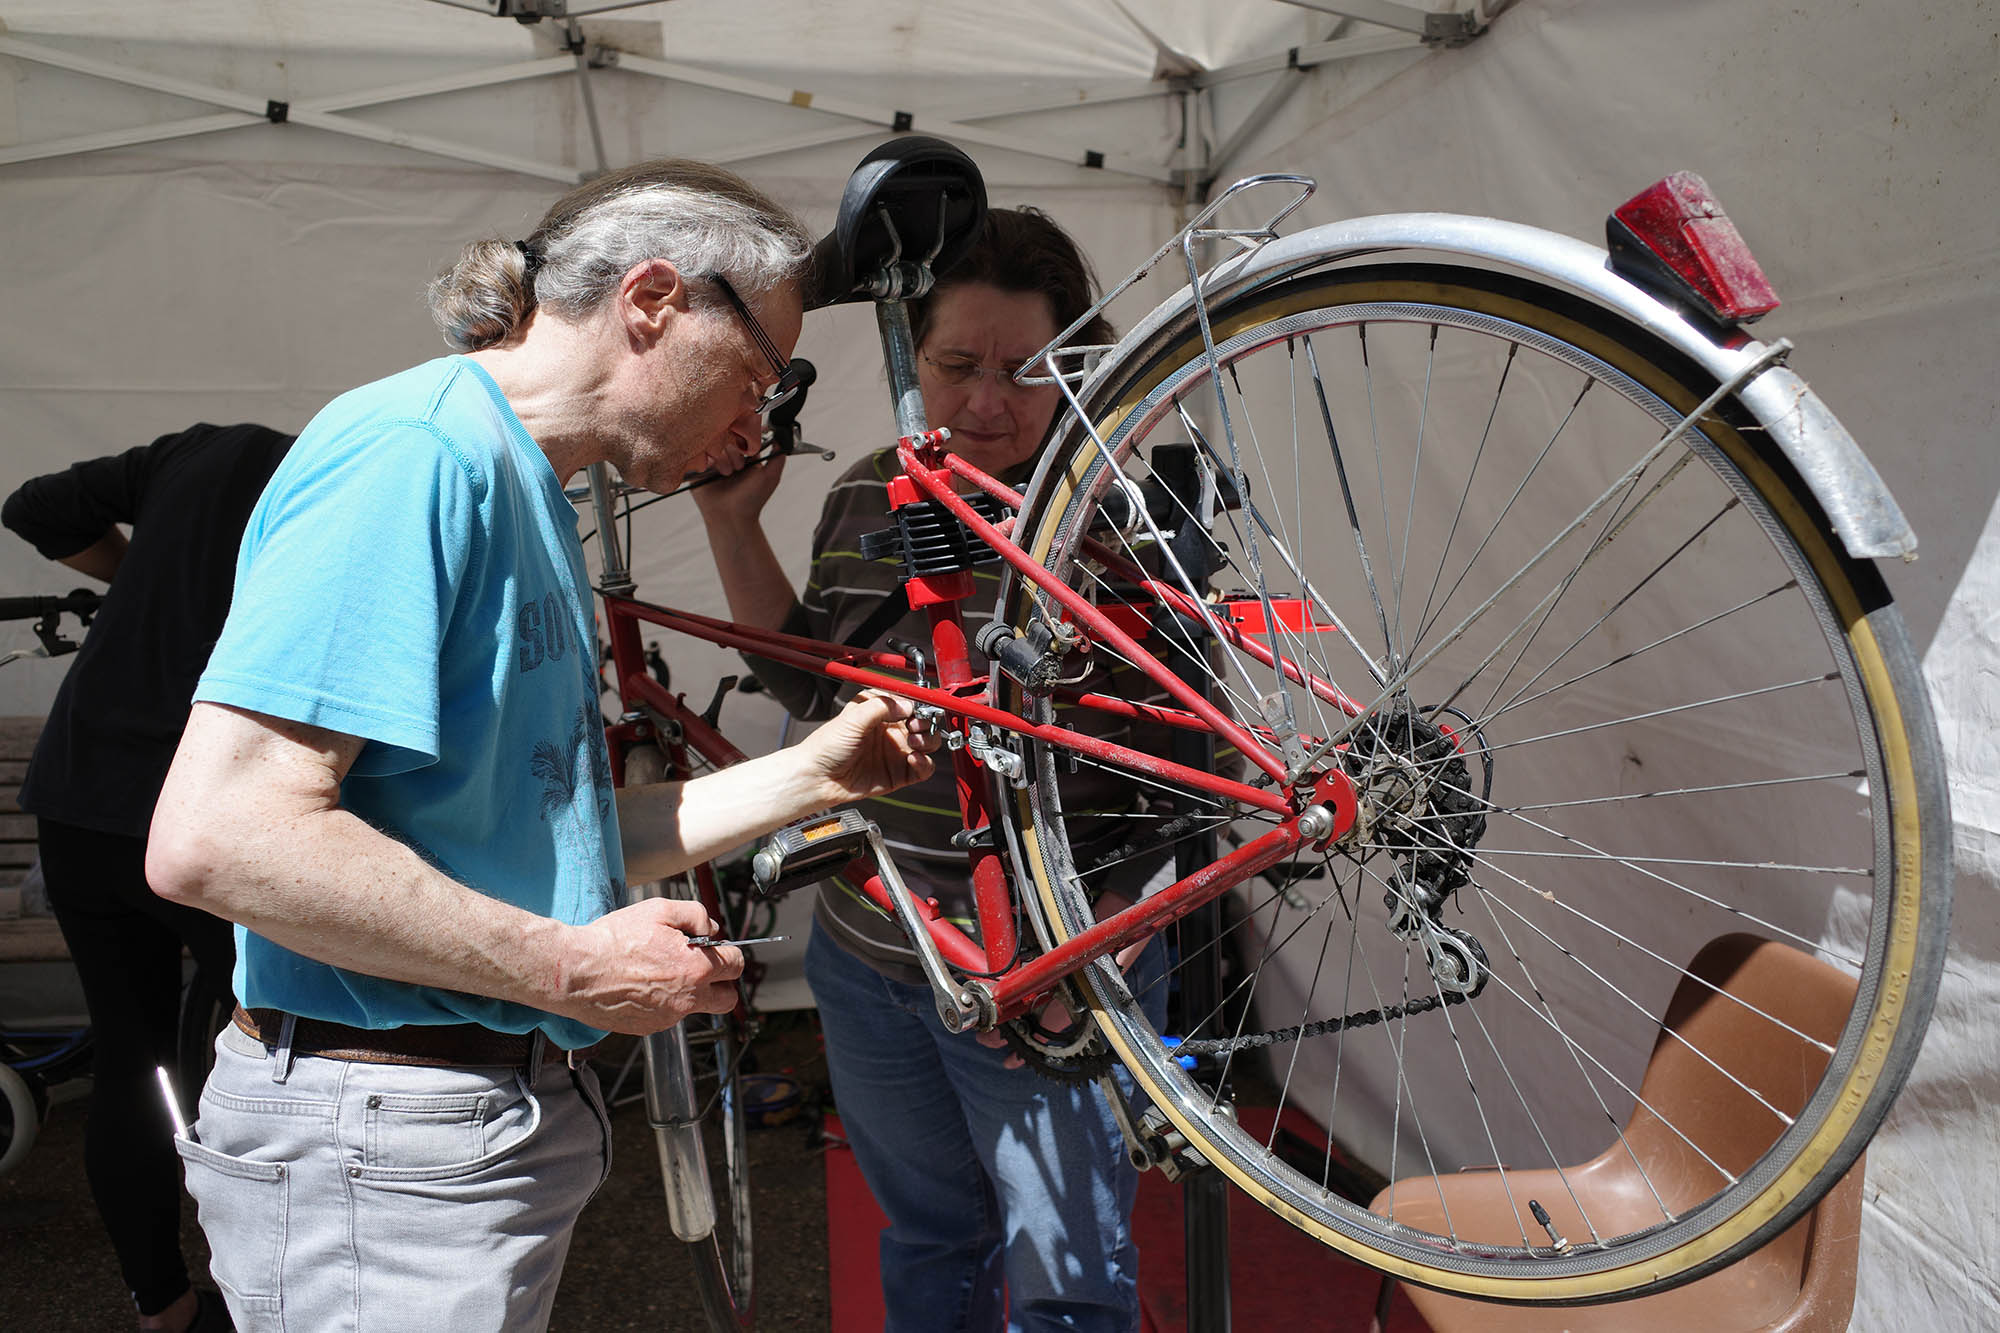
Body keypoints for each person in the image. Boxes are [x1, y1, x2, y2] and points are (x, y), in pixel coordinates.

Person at [142, 160, 937, 1333]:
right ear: (654, 301)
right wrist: (573, 971)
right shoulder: (411, 457)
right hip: (386, 1125)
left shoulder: (524, 488)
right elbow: (220, 838)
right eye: (766, 373)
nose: (761, 424)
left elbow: (540, 840)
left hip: (449, 1124)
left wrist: (820, 771)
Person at [694, 207, 1172, 1333]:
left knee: (1067, 1285)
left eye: (1025, 371)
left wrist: (1098, 949)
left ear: (1076, 370)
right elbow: (816, 692)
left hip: (1050, 969)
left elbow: (1193, 792)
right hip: (872, 955)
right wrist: (731, 527)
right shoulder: (871, 492)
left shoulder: (1122, 520)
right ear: (913, 360)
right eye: (957, 365)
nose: (986, 403)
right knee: (928, 1241)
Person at [4, 422, 294, 1333]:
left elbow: (34, 507)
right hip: (205, 806)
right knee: (289, 1049)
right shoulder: (353, 479)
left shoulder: (206, 449)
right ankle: (289, 1294)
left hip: (83, 797)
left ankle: (160, 1305)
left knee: (131, 1053)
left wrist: (134, 576)